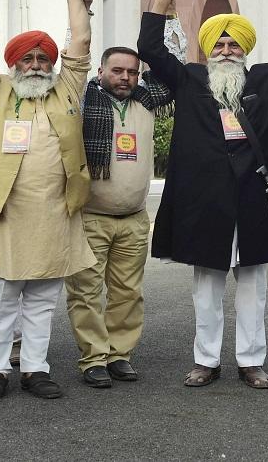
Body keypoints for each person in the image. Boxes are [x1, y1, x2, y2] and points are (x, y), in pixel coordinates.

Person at [138, 0, 268, 390]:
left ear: (245, 48)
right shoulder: (189, 78)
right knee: (206, 288)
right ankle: (205, 361)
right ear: (208, 50)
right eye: (219, 44)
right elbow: (150, 49)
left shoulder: (267, 78)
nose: (226, 50)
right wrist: (160, 4)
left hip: (253, 200)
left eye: (234, 44)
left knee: (252, 288)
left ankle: (251, 361)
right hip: (204, 202)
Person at [0, 0, 100, 401]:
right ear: (14, 63)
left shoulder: (67, 88)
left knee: (42, 298)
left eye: (43, 58)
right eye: (28, 58)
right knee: (3, 297)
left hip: (55, 210)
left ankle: (36, 369)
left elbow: (81, 43)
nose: (37, 64)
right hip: (5, 211)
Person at [65, 45, 172, 388]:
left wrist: (162, 17)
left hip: (134, 218)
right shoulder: (82, 101)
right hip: (90, 217)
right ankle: (93, 358)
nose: (125, 77)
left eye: (132, 72)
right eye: (117, 71)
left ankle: (119, 355)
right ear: (100, 71)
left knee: (128, 292)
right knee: (86, 293)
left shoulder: (148, 101)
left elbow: (171, 65)